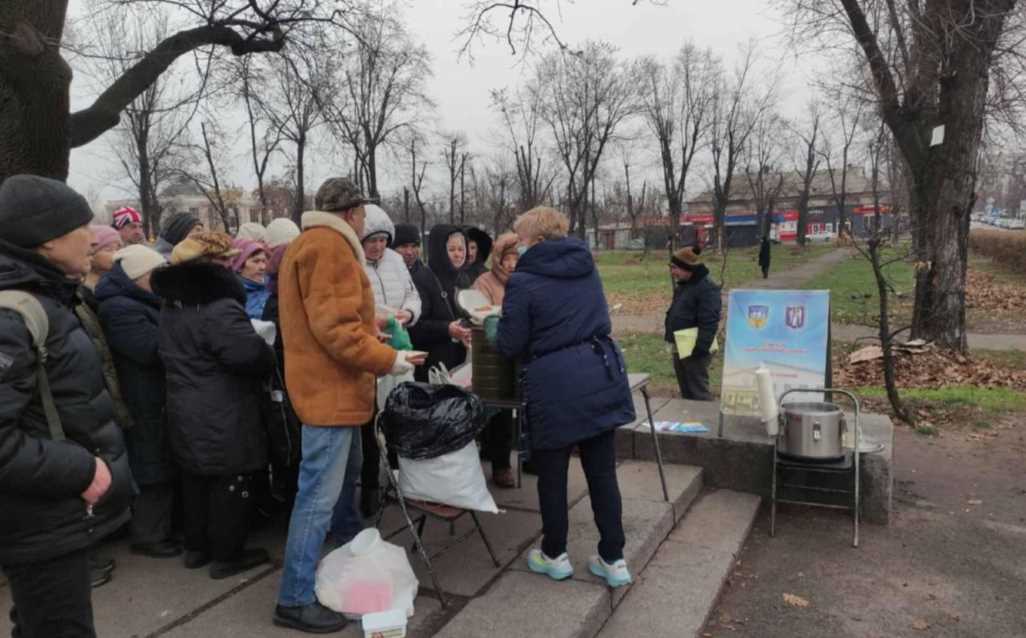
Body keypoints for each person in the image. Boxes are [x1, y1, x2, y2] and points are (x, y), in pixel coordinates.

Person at [274, 177, 424, 633]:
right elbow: (335, 331)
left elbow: (328, 321)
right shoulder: (330, 247)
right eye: (362, 213)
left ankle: (347, 553)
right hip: (329, 395)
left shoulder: (312, 243)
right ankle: (294, 598)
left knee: (341, 488)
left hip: (332, 392)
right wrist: (391, 359)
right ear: (353, 213)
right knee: (317, 497)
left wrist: (371, 330)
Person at [0, 175, 134, 638]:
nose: (93, 235)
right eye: (82, 224)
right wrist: (81, 470)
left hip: (54, 516)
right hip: (40, 518)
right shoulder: (14, 313)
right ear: (48, 239)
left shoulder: (47, 296)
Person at [489, 206, 636, 589]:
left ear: (535, 240)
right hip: (598, 371)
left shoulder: (523, 281)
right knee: (602, 472)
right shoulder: (586, 265)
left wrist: (492, 325)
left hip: (553, 383)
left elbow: (510, 343)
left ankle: (554, 554)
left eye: (520, 239)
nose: (517, 246)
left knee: (552, 476)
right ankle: (614, 558)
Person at [151, 231, 273, 580]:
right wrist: (264, 350)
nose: (231, 265)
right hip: (223, 408)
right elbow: (248, 356)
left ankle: (197, 548)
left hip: (184, 405)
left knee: (195, 479)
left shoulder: (173, 303)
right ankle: (227, 555)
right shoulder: (218, 307)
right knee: (229, 480)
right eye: (225, 260)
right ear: (211, 265)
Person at [95, 245, 182, 559]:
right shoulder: (120, 308)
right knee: (151, 466)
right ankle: (149, 535)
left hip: (153, 395)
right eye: (156, 276)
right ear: (138, 277)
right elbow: (149, 348)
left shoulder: (138, 300)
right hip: (141, 397)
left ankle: (162, 529)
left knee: (159, 461)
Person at [356, 204, 422, 518]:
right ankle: (370, 488)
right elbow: (357, 306)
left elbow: (413, 295)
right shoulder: (353, 264)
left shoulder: (395, 261)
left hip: (401, 346)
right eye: (372, 240)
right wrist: (382, 317)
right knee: (372, 422)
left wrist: (408, 313)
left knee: (400, 415)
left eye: (383, 239)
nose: (378, 246)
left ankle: (398, 478)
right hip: (371, 351)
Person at [471, 232, 520, 488]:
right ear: (497, 259)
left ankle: (527, 457)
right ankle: (500, 464)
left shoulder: (525, 281)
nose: (511, 264)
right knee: (497, 410)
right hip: (491, 355)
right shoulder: (484, 282)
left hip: (519, 353)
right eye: (506, 258)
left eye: (516, 257)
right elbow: (478, 314)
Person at [395, 223, 469, 382]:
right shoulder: (422, 279)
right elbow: (415, 327)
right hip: (431, 369)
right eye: (451, 250)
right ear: (440, 251)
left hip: (459, 364)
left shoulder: (463, 278)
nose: (458, 255)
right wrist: (447, 329)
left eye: (461, 249)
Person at [262, 217, 303, 504]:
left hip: (292, 383)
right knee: (293, 450)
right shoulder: (280, 300)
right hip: (289, 384)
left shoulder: (276, 296)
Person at [665, 245, 722, 401]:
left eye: (675, 268)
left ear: (687, 267)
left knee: (699, 393)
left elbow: (709, 321)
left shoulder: (707, 288)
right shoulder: (684, 286)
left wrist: (700, 349)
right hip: (681, 346)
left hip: (695, 349)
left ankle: (705, 421)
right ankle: (690, 422)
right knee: (687, 393)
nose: (672, 272)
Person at [231, 239, 272, 319]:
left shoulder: (272, 288)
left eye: (264, 261)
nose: (262, 267)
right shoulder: (232, 296)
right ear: (239, 266)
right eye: (256, 261)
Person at [84, 225, 123, 290]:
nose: (116, 254)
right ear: (91, 253)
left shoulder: (119, 284)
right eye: (109, 250)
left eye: (118, 249)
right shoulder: (80, 290)